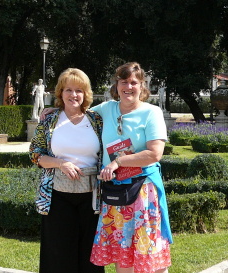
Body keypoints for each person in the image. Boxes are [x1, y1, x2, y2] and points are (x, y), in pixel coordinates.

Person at [41, 62, 173, 273]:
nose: (128, 87)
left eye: (134, 82)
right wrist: (55, 111)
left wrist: (118, 161)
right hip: (114, 192)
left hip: (142, 192)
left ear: (142, 86)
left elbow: (155, 153)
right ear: (117, 84)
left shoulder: (152, 112)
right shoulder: (105, 109)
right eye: (123, 82)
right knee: (123, 255)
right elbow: (76, 109)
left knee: (149, 252)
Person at [29, 68, 105, 273]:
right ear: (60, 93)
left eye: (79, 90)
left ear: (86, 94)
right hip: (57, 197)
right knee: (58, 256)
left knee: (90, 257)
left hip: (91, 198)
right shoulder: (49, 119)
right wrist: (60, 163)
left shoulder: (96, 120)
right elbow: (35, 154)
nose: (74, 95)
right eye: (68, 90)